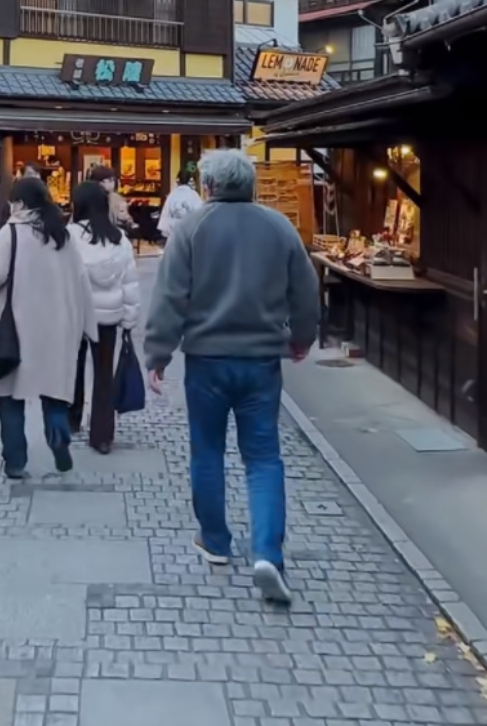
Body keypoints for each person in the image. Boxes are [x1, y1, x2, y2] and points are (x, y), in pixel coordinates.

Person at [143, 150, 320, 604]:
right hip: (261, 361)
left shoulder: (191, 228)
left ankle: (216, 541)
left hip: (206, 360)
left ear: (208, 186)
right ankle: (267, 554)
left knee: (207, 452)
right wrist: (301, 337)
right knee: (263, 458)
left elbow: (170, 296)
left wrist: (158, 353)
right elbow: (305, 289)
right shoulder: (279, 226)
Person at [0, 175, 93, 480]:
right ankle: (59, 442)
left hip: (15, 329)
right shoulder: (62, 233)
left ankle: (15, 461)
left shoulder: (11, 232)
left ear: (18, 202)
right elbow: (81, 280)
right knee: (54, 393)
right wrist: (86, 326)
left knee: (11, 400)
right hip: (57, 328)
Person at [70, 180, 140, 453]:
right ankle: (102, 434)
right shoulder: (119, 239)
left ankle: (71, 418)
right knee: (103, 373)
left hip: (77, 313)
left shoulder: (70, 236)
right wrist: (130, 319)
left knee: (72, 368)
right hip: (110, 315)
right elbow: (130, 283)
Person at [156, 168, 204, 245]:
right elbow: (200, 214)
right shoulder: (193, 195)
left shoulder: (172, 195)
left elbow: (166, 213)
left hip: (172, 233)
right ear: (189, 180)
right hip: (187, 232)